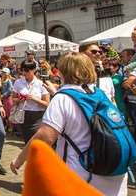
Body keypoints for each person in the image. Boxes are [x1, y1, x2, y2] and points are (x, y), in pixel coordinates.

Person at [10, 53, 128, 195]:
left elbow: (44, 137)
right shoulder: (99, 93)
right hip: (116, 172)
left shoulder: (63, 98)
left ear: (62, 72)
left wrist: (19, 159)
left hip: (82, 174)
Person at [12, 60, 50, 144]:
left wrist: (34, 98)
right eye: (22, 70)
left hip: (37, 116)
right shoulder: (18, 82)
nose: (23, 72)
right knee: (27, 142)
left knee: (36, 142)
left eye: (26, 70)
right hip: (23, 115)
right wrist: (19, 99)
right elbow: (13, 99)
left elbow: (47, 104)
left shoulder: (40, 84)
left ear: (33, 70)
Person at [0, 68, 15, 133]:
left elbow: (10, 89)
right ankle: (6, 125)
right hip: (4, 98)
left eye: (3, 73)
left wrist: (4, 95)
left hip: (8, 98)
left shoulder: (9, 81)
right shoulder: (2, 80)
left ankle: (12, 127)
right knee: (5, 112)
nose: (2, 74)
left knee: (9, 112)